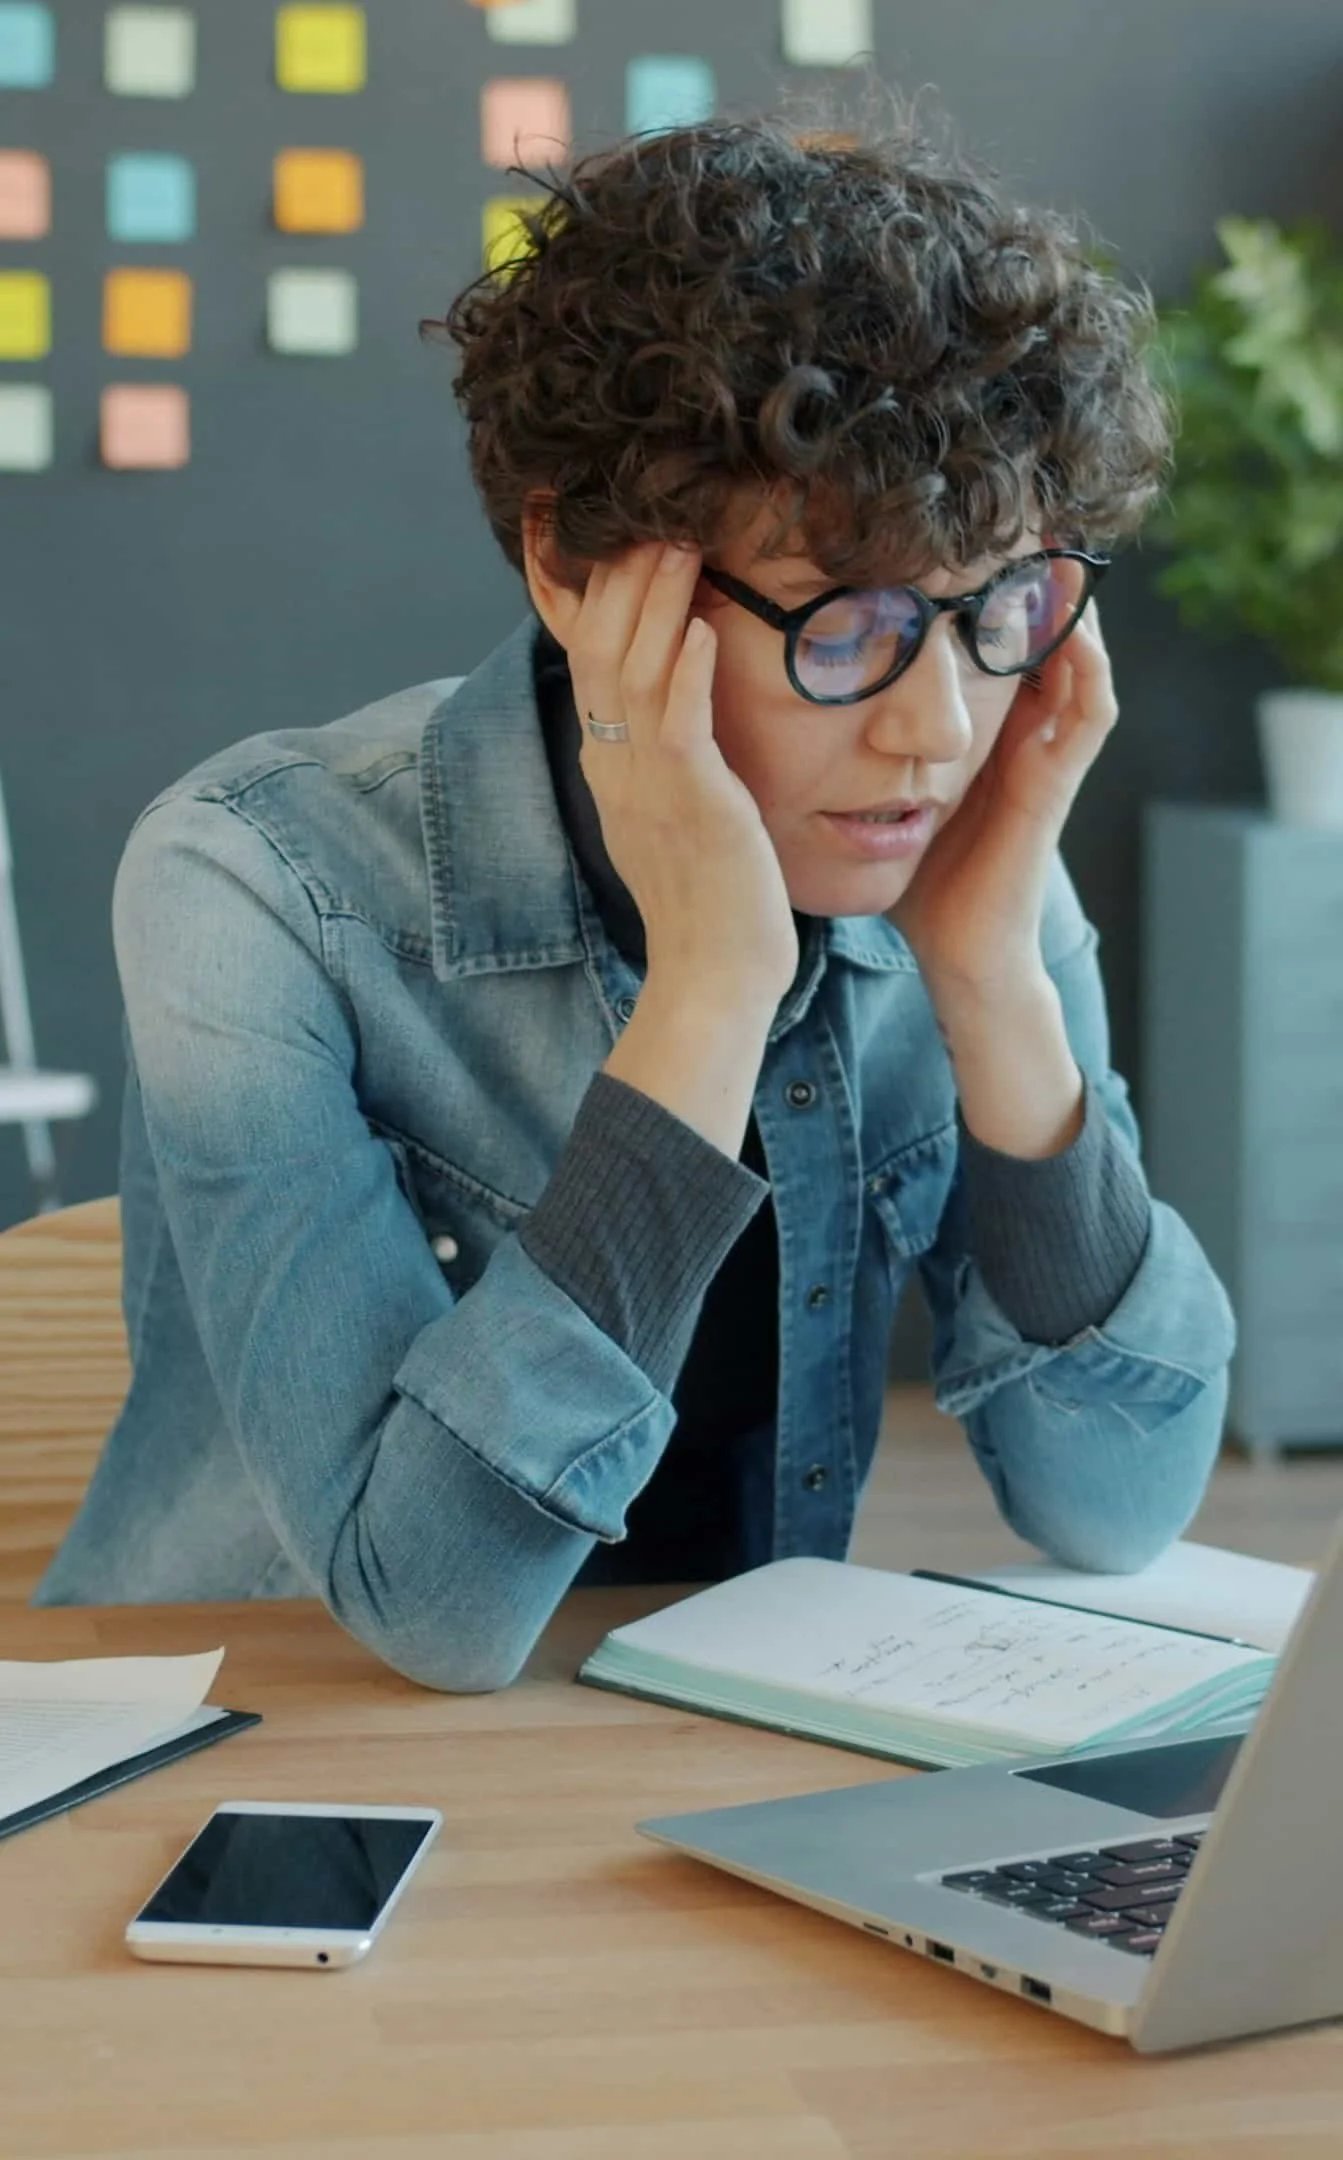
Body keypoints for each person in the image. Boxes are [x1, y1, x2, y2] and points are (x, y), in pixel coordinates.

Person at [36, 100, 1236, 1690]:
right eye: (844, 625)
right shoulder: (261, 885)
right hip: (265, 1759)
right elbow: (431, 1610)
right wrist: (709, 994)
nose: (936, 728)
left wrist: (998, 978)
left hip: (685, 1745)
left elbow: (1117, 1506)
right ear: (579, 569)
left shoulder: (950, 859)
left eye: (996, 605)